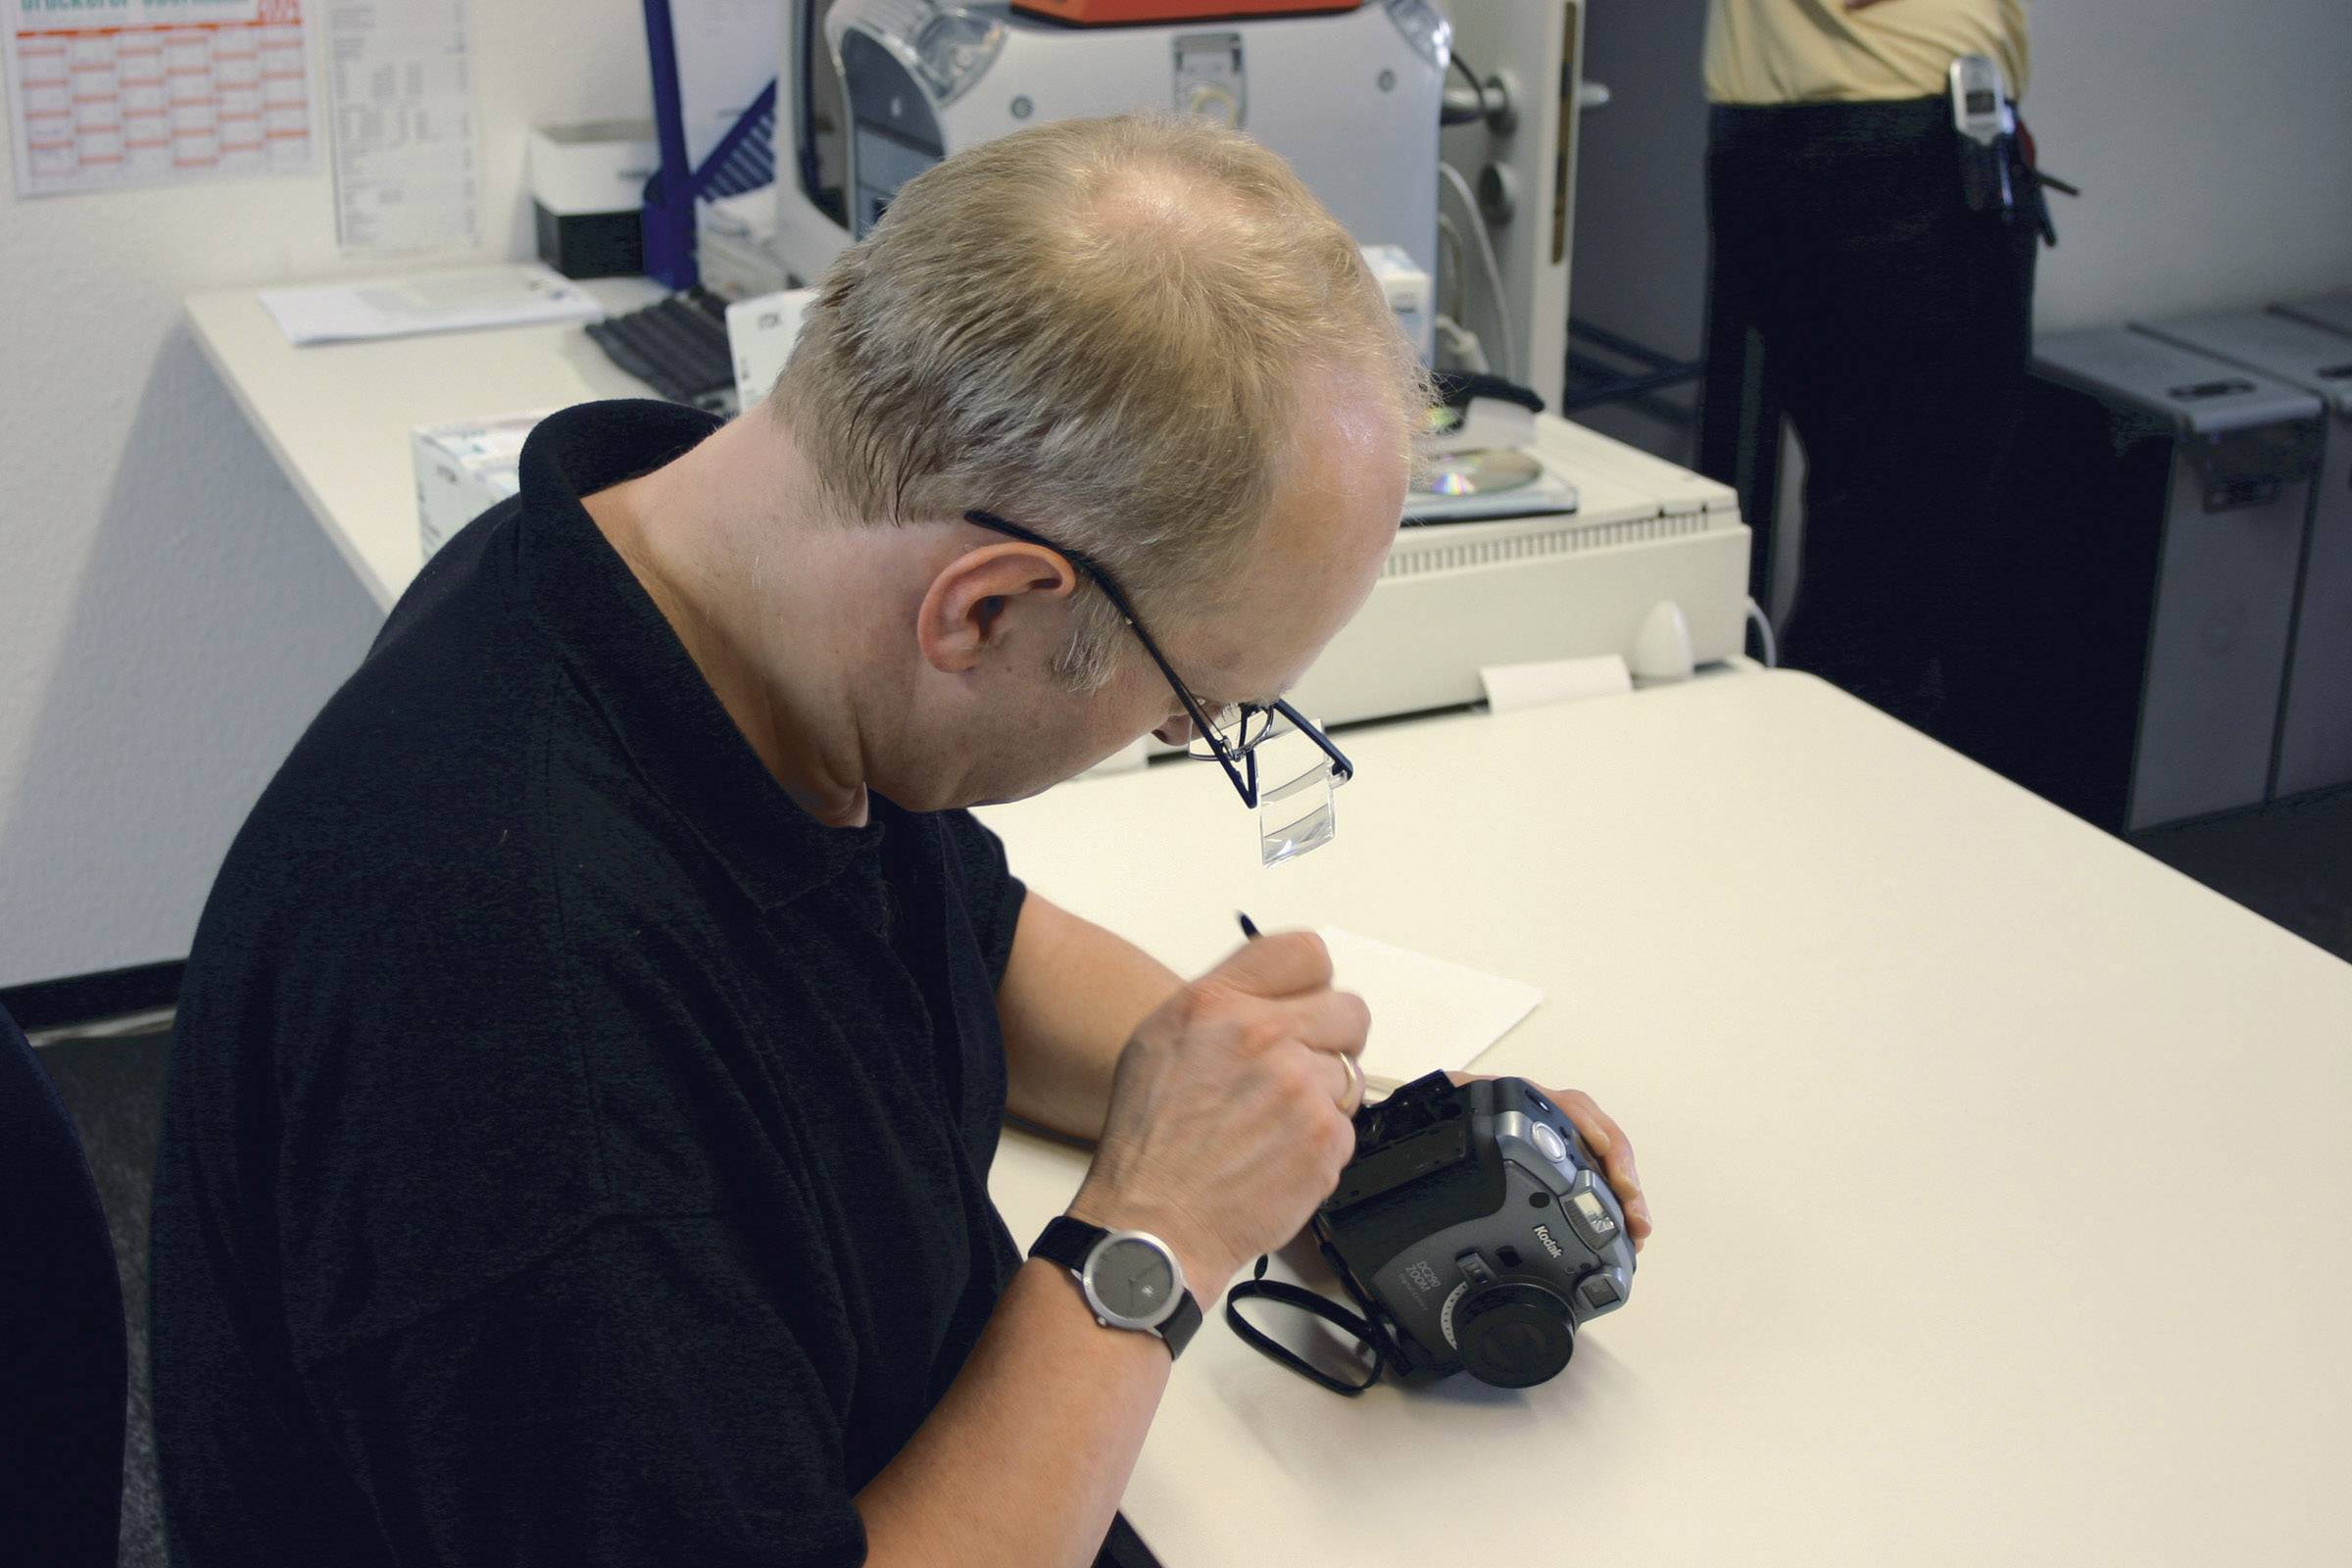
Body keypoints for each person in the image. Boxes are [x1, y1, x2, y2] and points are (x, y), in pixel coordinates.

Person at [150, 115, 1653, 1567]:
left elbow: (980, 950)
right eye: (1198, 706)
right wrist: (1152, 1237)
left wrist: (1325, 1142)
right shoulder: (517, 1030)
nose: (1184, 741)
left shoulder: (699, 581)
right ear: (984, 609)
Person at [1696, 0, 2040, 733]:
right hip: (1905, 142)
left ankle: (1810, 789)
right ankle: (1833, 805)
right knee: (1904, 552)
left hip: (1769, 142)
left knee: (1864, 524)